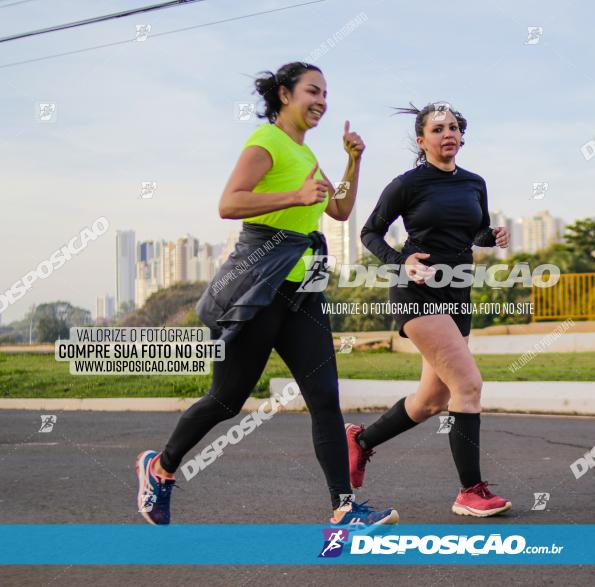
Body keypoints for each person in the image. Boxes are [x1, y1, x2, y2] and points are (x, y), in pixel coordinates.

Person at [135, 61, 398, 528]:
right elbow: (230, 202)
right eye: (312, 91)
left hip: (304, 292)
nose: (321, 100)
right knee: (227, 400)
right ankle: (161, 467)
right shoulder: (266, 143)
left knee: (325, 399)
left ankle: (344, 507)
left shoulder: (308, 155)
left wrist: (353, 162)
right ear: (284, 94)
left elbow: (338, 210)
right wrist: (293, 197)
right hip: (259, 288)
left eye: (325, 94)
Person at [349, 102, 512, 517]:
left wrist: (491, 236)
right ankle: (470, 492)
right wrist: (399, 262)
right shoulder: (407, 184)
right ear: (422, 141)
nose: (448, 134)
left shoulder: (475, 183)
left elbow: (473, 231)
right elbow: (371, 232)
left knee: (431, 399)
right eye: (438, 129)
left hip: (459, 294)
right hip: (417, 293)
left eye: (454, 127)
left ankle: (360, 442)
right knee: (469, 386)